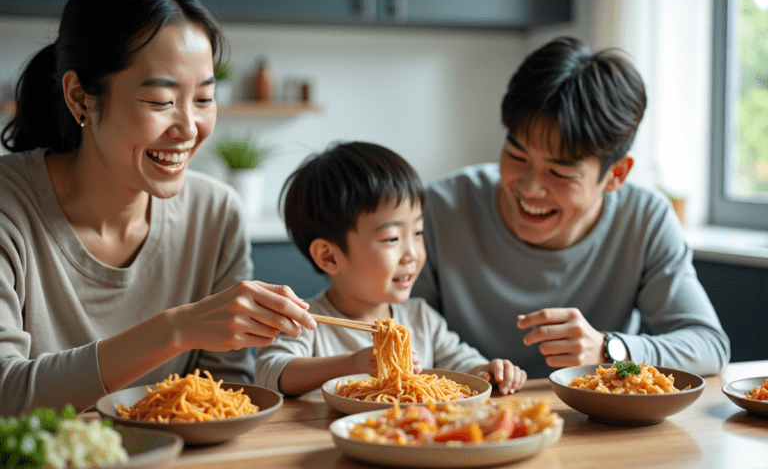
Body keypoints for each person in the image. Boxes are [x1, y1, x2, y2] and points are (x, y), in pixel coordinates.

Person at [0, 0, 316, 416]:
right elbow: (6, 394)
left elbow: (224, 394)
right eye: (161, 101)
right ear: (80, 98)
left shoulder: (215, 214)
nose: (189, 128)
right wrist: (178, 329)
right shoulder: (10, 207)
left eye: (204, 98)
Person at [411, 36, 731, 379]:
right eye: (517, 156)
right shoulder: (438, 211)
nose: (529, 187)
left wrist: (611, 351)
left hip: (598, 422)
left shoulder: (644, 219)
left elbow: (709, 347)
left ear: (615, 175)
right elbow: (402, 336)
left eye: (560, 172)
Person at [254, 141, 527, 396]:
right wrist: (351, 364)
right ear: (329, 257)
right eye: (392, 239)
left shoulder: (421, 318)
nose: (413, 253)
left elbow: (462, 362)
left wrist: (487, 370)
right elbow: (270, 372)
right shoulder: (306, 321)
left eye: (418, 232)